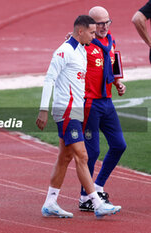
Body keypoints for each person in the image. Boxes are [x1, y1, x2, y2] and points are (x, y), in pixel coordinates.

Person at [36, 15, 122, 218]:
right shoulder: (64, 51)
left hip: (76, 110)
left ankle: (50, 202)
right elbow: (49, 79)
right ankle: (96, 203)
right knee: (82, 156)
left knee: (65, 157)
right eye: (92, 32)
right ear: (81, 31)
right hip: (65, 110)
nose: (94, 36)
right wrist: (43, 109)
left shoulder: (83, 50)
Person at [78, 6, 127, 212]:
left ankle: (97, 187)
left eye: (107, 22)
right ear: (90, 24)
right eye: (99, 23)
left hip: (106, 101)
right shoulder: (83, 44)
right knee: (92, 150)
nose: (104, 26)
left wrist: (117, 82)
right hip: (90, 103)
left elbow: (113, 61)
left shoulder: (111, 40)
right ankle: (85, 197)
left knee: (119, 145)